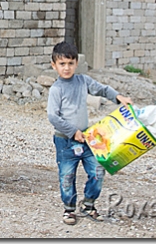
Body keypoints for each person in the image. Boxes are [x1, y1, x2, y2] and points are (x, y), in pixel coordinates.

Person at [47, 41, 133, 225]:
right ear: (54, 65)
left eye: (70, 63)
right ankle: (69, 209)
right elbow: (53, 117)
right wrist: (72, 132)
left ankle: (89, 204)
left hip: (88, 138)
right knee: (67, 176)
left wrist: (118, 97)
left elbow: (101, 89)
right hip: (65, 141)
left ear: (76, 63)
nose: (67, 68)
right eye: (62, 64)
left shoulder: (82, 81)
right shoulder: (56, 89)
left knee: (97, 171)